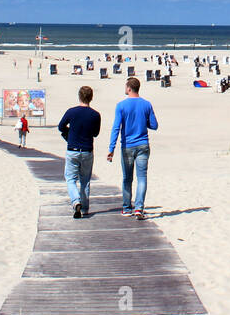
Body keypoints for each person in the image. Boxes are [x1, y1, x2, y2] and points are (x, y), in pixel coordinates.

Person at [106, 77, 157, 219]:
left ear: (129, 88)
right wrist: (142, 120)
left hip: (128, 146)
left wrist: (111, 148)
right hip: (143, 145)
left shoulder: (121, 106)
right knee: (142, 178)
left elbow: (116, 128)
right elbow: (154, 125)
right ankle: (139, 208)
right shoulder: (146, 104)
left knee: (127, 178)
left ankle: (127, 207)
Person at [59, 86, 102, 218]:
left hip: (73, 149)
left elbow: (61, 126)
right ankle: (84, 208)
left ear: (79, 96)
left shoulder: (72, 112)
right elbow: (95, 133)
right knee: (85, 180)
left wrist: (70, 134)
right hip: (87, 150)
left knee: (70, 178)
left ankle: (76, 200)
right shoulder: (95, 114)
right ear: (91, 97)